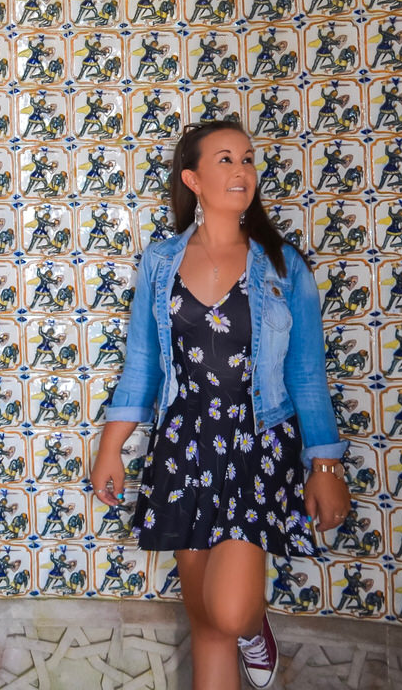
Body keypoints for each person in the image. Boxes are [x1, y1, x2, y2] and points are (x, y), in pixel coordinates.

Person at [88, 119, 350, 689]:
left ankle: (254, 624)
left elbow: (307, 373)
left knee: (229, 612)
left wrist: (325, 465)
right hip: (183, 444)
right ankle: (243, 632)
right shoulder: (160, 263)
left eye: (249, 159)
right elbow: (143, 366)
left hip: (257, 442)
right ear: (193, 178)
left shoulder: (283, 266)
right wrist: (112, 448)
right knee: (206, 622)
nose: (243, 171)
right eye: (226, 160)